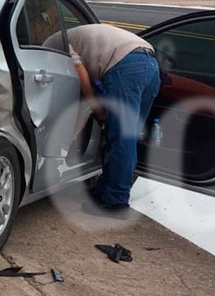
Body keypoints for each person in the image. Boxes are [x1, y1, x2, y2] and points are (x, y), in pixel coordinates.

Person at [66, 24, 162, 215]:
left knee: (122, 139)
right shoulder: (80, 36)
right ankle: (104, 191)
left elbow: (80, 72)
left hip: (125, 66)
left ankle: (115, 201)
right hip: (151, 65)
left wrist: (96, 108)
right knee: (127, 137)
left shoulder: (59, 42)